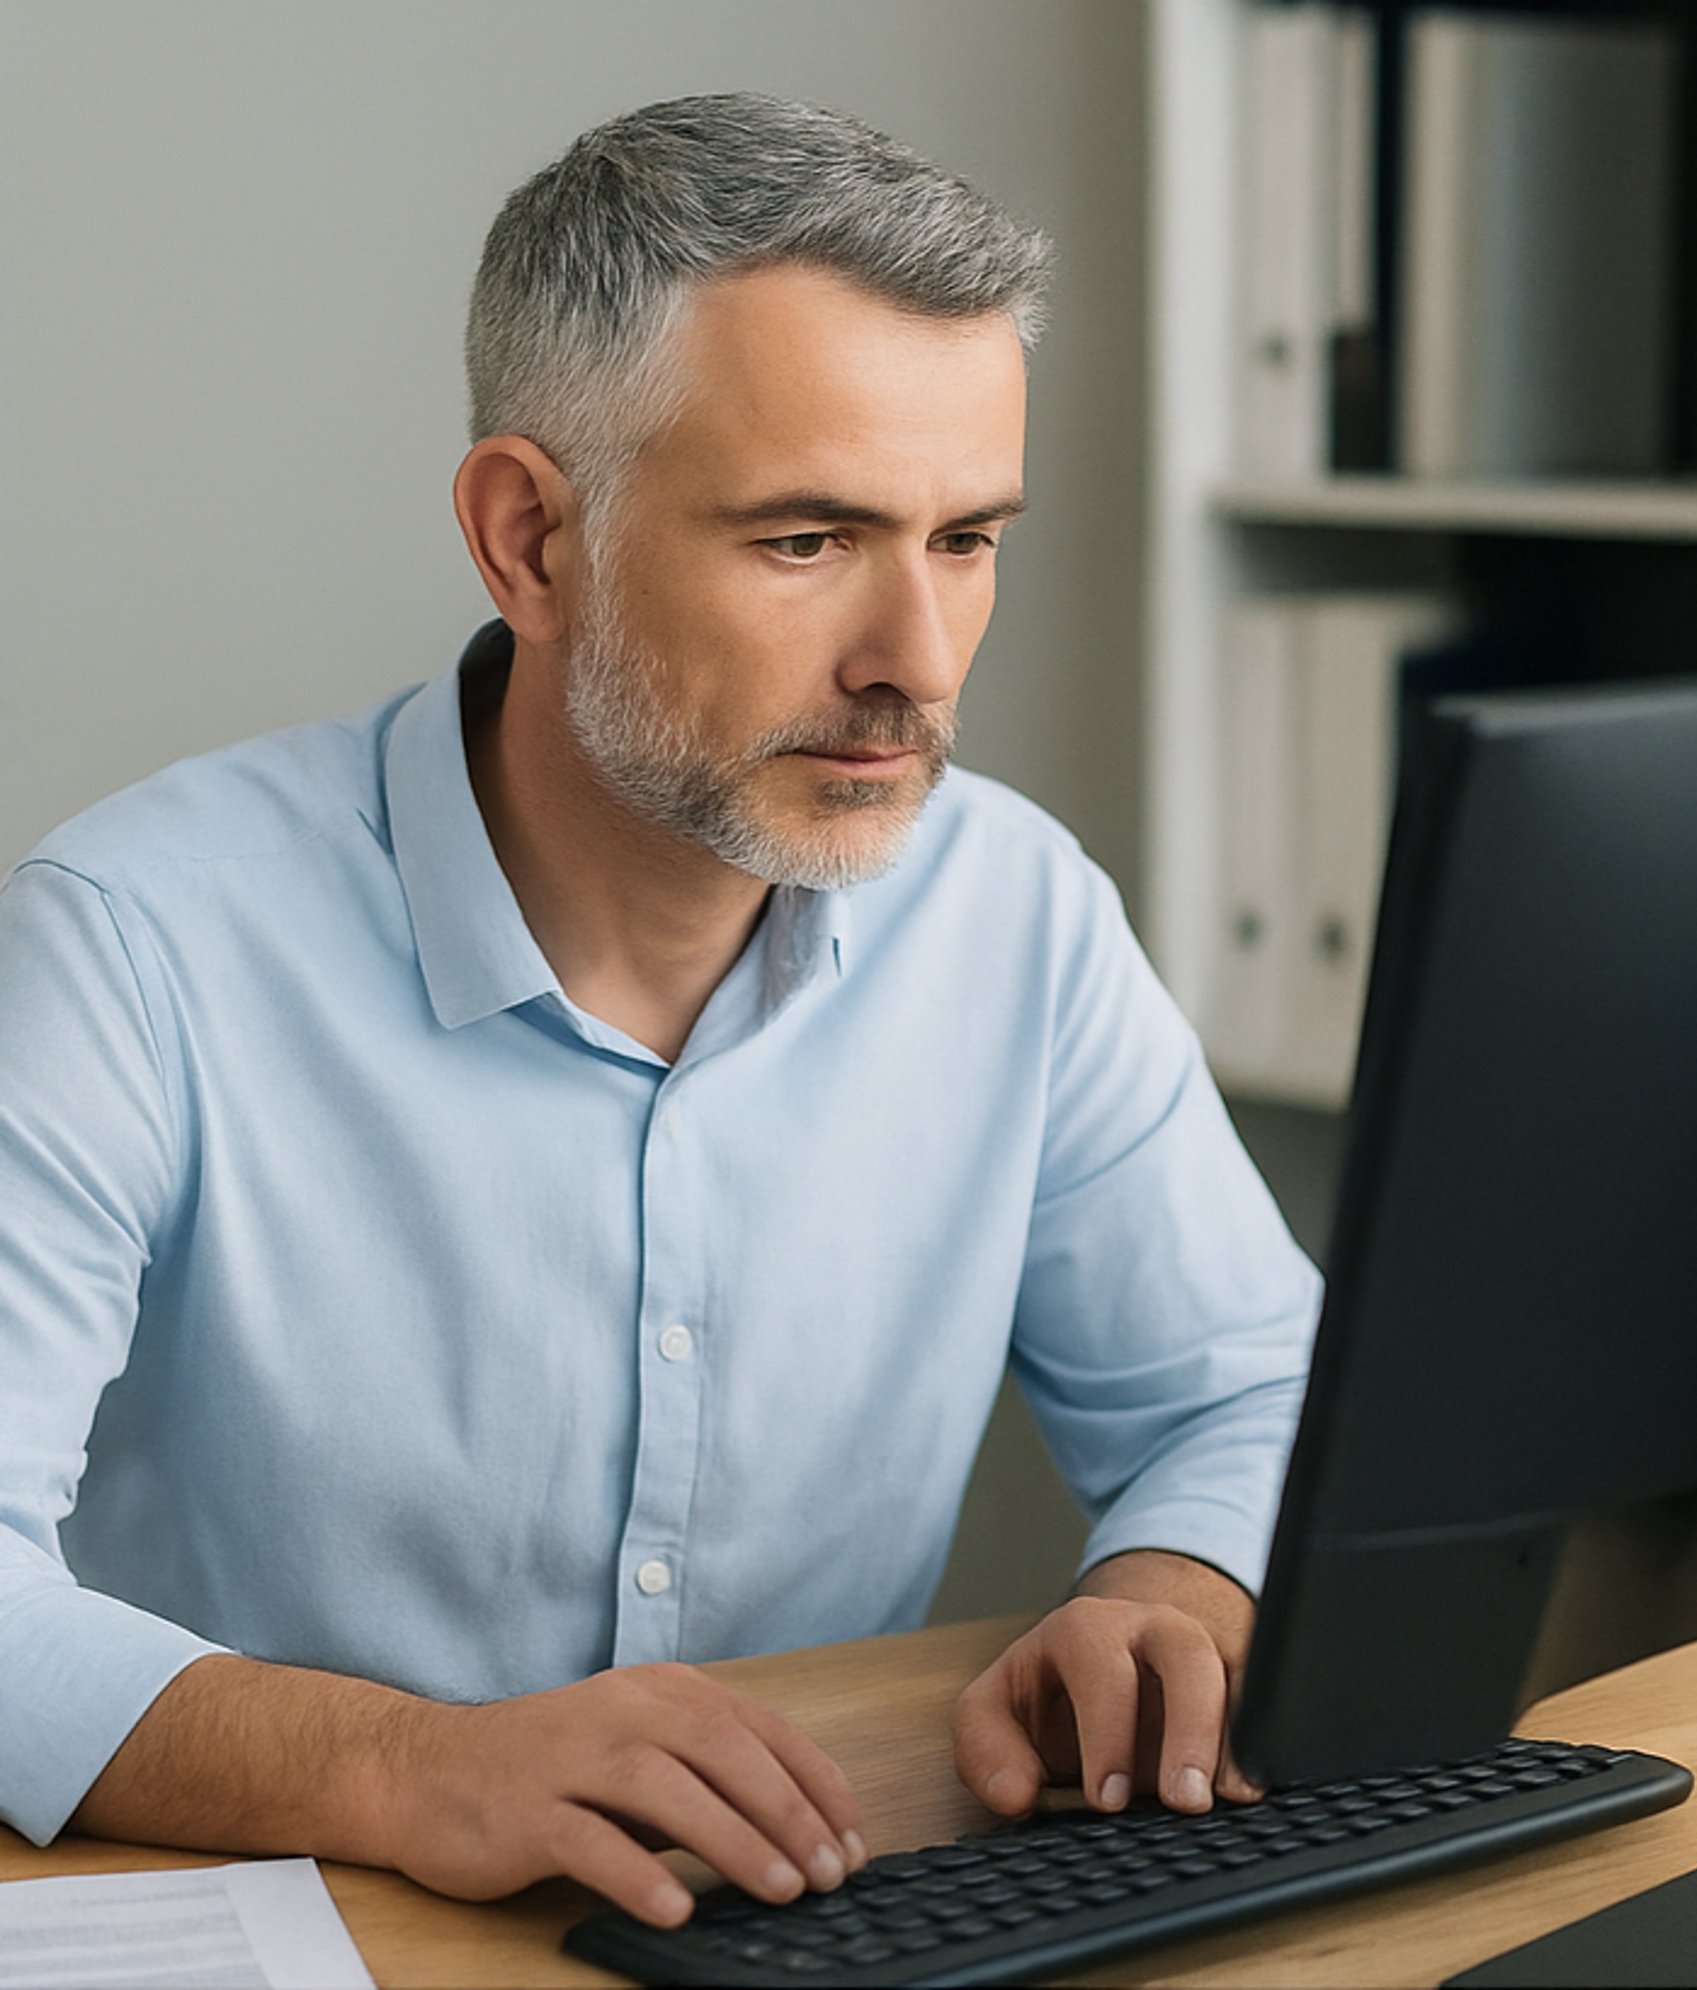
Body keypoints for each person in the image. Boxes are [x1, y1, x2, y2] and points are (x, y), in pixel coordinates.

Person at [0, 94, 1320, 1930]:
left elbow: (1248, 1382)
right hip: (307, 1925)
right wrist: (410, 1761)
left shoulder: (1012, 911)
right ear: (529, 538)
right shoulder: (135, 942)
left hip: (827, 1927)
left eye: (965, 540)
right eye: (807, 541)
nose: (915, 668)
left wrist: (1165, 1596)